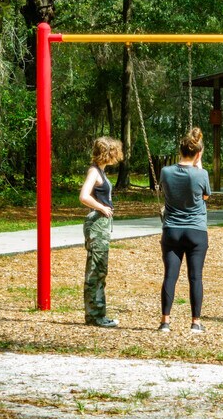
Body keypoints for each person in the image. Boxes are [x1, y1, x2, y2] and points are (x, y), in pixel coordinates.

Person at [158, 127, 211, 333]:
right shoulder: (201, 174)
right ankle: (196, 322)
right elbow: (205, 196)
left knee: (170, 275)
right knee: (195, 276)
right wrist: (199, 163)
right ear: (198, 153)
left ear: (179, 151)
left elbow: (169, 191)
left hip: (172, 229)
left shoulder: (165, 172)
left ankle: (165, 321)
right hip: (196, 231)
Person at [78, 136, 124, 328]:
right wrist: (101, 208)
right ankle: (95, 315)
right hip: (97, 226)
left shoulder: (101, 172)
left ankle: (97, 313)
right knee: (96, 270)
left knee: (100, 269)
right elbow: (83, 196)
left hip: (102, 226)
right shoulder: (94, 172)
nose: (116, 156)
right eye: (114, 152)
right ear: (107, 153)